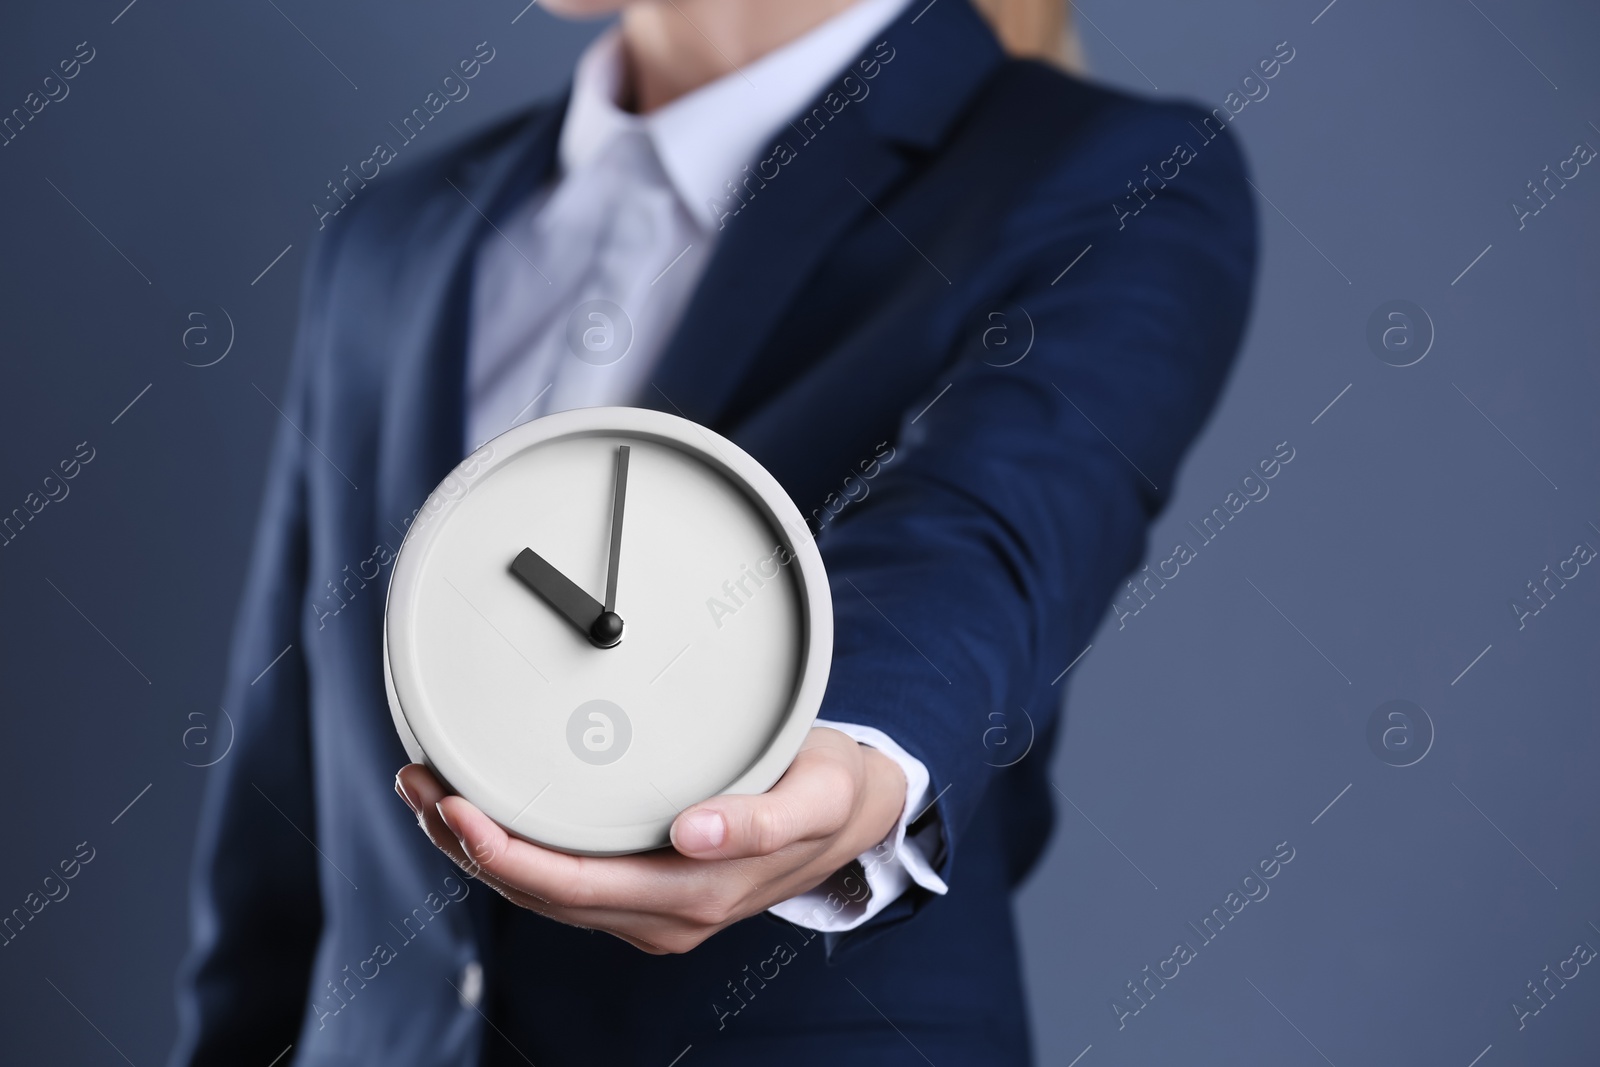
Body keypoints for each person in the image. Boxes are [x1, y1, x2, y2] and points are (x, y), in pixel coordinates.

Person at [170, 0, 1256, 1062]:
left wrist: (853, 754)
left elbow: (984, 530)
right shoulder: (392, 236)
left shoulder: (1108, 172)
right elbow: (283, 801)